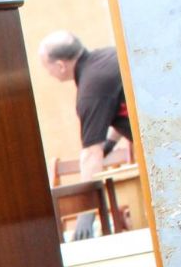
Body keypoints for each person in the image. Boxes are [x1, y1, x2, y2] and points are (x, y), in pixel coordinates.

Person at [38, 30, 134, 177]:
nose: (48, 73)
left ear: (60, 65)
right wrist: (110, 143)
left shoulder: (91, 91)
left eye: (46, 66)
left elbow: (91, 153)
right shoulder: (110, 55)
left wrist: (89, 198)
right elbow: (121, 108)